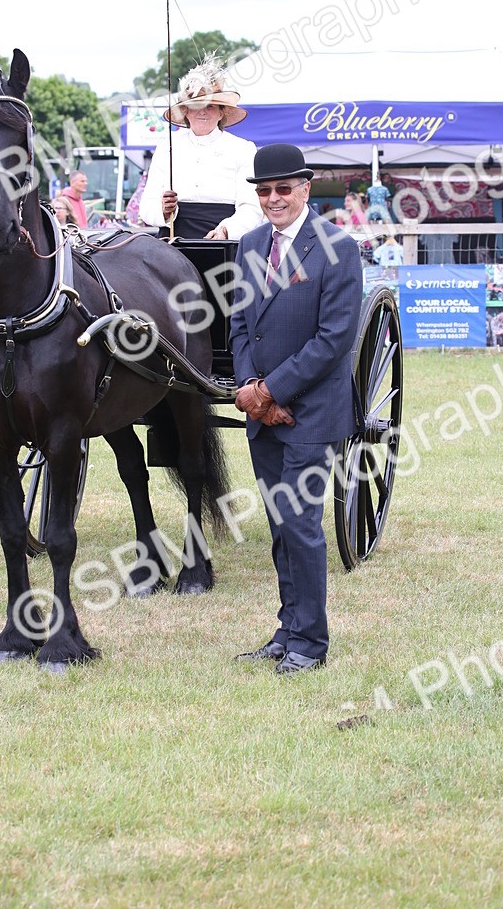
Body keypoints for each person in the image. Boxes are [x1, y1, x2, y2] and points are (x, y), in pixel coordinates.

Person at [229, 143, 363, 675]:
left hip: (312, 413)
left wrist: (272, 392)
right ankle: (287, 629)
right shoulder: (249, 246)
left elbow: (334, 338)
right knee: (279, 525)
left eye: (283, 188)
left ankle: (310, 641)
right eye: (264, 190)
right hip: (262, 413)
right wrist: (249, 389)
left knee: (301, 523)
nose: (273, 199)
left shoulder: (338, 247)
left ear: (305, 188)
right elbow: (240, 326)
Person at [138, 53, 262, 240]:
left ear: (222, 113)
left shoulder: (243, 149)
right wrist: (163, 210)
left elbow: (252, 208)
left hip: (222, 243)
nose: (203, 111)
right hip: (170, 244)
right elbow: (146, 206)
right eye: (197, 105)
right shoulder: (166, 147)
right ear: (185, 111)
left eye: (210, 106)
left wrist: (227, 231)